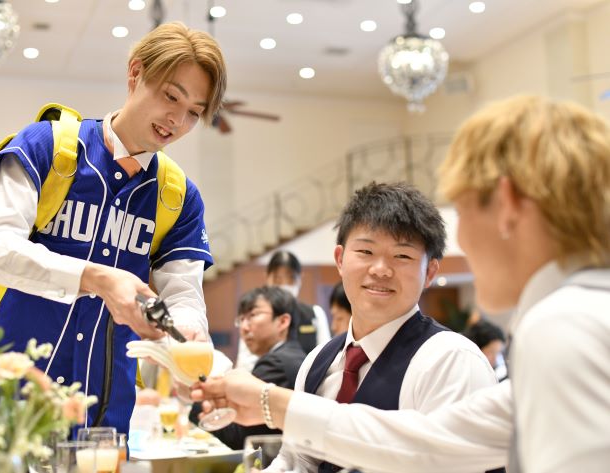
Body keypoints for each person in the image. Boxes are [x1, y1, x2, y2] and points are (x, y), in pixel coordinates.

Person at [193, 96, 610, 473]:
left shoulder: (564, 324)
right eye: (365, 252)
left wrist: (271, 402)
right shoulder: (581, 313)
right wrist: (271, 402)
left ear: (508, 203)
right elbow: (427, 443)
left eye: (463, 210)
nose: (463, 241)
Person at [0, 22, 227, 435]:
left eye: (194, 112)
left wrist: (188, 338)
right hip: (4, 412)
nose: (177, 120)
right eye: (170, 96)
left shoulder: (178, 197)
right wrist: (97, 279)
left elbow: (183, 296)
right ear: (135, 72)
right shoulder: (47, 147)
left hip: (104, 423)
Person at [213, 181, 498, 472]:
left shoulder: (451, 360)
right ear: (340, 260)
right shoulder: (317, 361)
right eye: (365, 251)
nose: (380, 269)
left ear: (430, 272)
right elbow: (297, 459)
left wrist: (270, 401)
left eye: (402, 256)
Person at [193, 286, 306, 449]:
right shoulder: (293, 355)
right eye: (241, 320)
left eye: (253, 316)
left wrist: (197, 398)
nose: (244, 328)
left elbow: (239, 438)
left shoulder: (276, 364)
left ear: (283, 321)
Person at [236, 251, 331, 371]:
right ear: (267, 278)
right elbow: (245, 363)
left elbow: (326, 357)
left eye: (291, 278)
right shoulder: (255, 316)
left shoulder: (314, 313)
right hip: (262, 376)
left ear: (300, 279)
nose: (284, 285)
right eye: (277, 279)